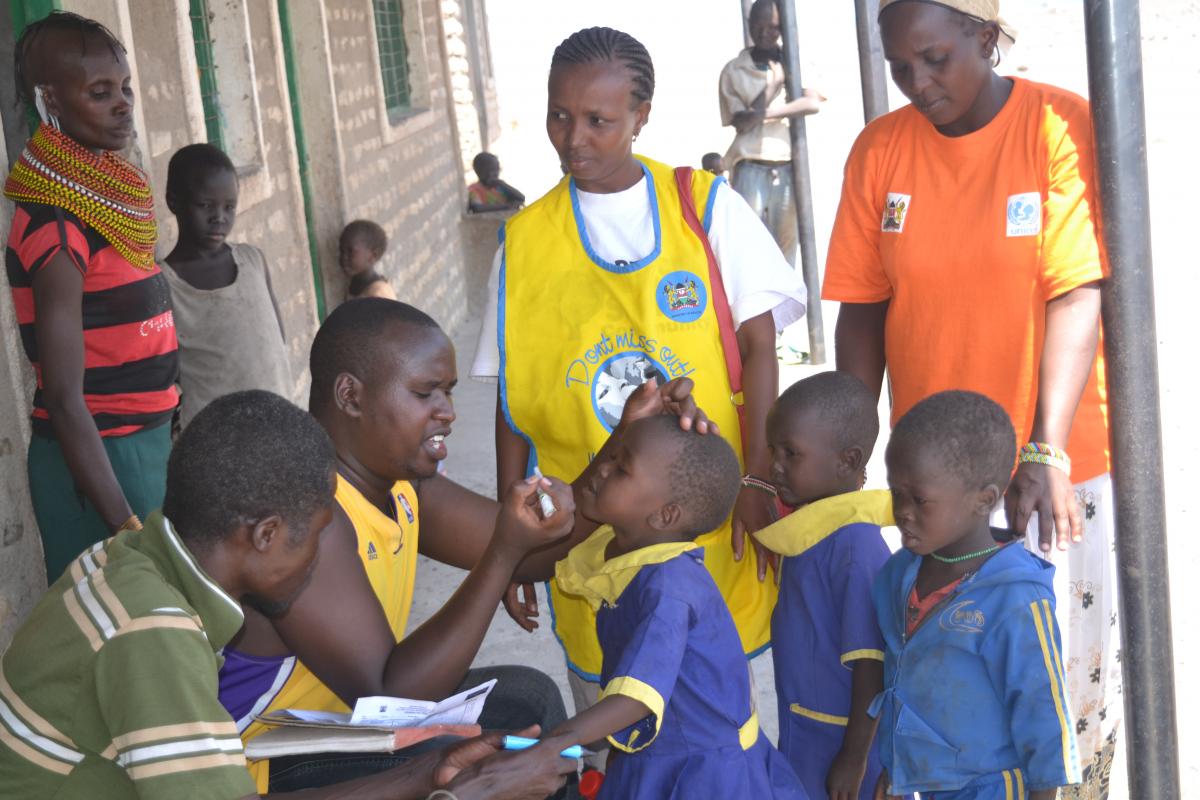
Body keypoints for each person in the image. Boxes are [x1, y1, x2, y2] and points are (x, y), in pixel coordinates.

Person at [470, 27, 807, 766]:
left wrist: (753, 479)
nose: (573, 138)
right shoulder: (526, 242)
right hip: (584, 533)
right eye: (560, 116)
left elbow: (758, 348)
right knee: (613, 740)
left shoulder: (703, 206)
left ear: (642, 115)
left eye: (599, 120)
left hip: (702, 529)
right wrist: (510, 535)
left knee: (710, 722)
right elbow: (511, 399)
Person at [0, 389, 578, 800]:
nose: (325, 551)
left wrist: (428, 778)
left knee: (499, 719)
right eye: (321, 532)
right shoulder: (156, 631)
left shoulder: (127, 558)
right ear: (266, 535)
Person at [823, 2, 1118, 794]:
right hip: (939, 483)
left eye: (936, 58)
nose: (916, 83)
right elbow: (864, 306)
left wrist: (1043, 446)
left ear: (986, 39)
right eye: (899, 66)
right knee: (955, 687)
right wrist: (848, 455)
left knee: (1056, 693)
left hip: (1050, 467)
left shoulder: (1056, 122)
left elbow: (1077, 290)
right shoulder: (880, 151)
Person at [3, 11, 179, 582]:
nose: (123, 103)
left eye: (125, 87)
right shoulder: (57, 227)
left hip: (145, 445)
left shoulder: (107, 194)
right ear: (49, 101)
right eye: (100, 93)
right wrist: (126, 524)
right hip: (99, 465)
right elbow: (64, 396)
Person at [546, 415, 805, 798]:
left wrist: (551, 743)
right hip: (665, 750)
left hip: (703, 775)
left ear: (664, 514)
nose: (600, 469)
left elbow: (635, 699)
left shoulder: (669, 587)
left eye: (620, 468)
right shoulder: (632, 555)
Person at [873, 390, 1080, 799]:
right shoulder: (899, 573)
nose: (902, 512)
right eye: (896, 493)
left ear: (985, 499)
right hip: (921, 783)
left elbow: (1044, 716)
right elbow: (897, 676)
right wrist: (896, 769)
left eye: (920, 500)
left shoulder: (1016, 599)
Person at [752, 373, 896, 800]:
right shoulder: (812, 529)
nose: (775, 465)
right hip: (808, 730)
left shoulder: (855, 545)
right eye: (772, 450)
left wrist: (853, 761)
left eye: (790, 453)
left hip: (846, 746)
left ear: (847, 460)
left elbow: (873, 664)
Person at [161, 143, 292, 429]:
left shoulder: (252, 261)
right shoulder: (165, 285)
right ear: (174, 202)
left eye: (229, 206)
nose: (219, 217)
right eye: (205, 205)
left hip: (280, 426)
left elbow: (276, 341)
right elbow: (162, 367)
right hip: (216, 441)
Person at [718, 0, 824, 268]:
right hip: (749, 163)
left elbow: (812, 103)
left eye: (774, 28)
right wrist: (774, 84)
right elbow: (740, 122)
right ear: (750, 26)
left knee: (785, 247)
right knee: (746, 242)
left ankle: (784, 307)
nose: (766, 33)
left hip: (787, 164)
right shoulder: (734, 69)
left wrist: (764, 113)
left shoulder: (795, 62)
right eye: (760, 26)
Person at [340, 219, 397, 300]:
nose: (344, 257)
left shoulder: (380, 294)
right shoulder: (355, 283)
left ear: (373, 256)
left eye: (350, 252)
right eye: (341, 251)